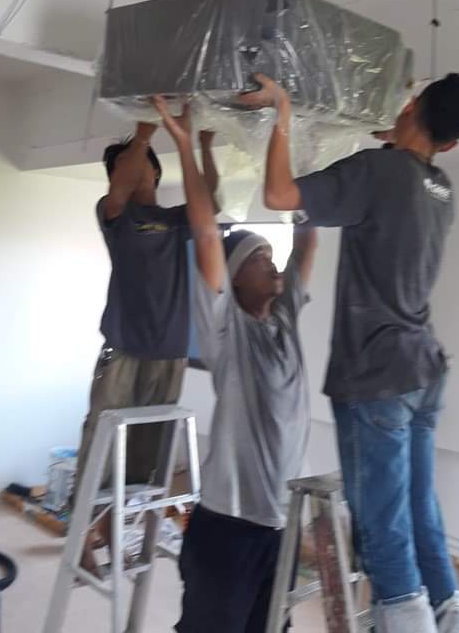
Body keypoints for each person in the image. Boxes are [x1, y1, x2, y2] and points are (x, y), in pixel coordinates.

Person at [243, 72, 459, 633]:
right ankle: (449, 620)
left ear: (413, 105)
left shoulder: (377, 172)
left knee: (382, 525)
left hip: (377, 374)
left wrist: (284, 113)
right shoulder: (441, 187)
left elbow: (279, 196)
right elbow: (401, 177)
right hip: (424, 370)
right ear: (451, 144)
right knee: (419, 509)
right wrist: (396, 135)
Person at [152, 95, 317, 633]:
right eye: (260, 258)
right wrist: (185, 144)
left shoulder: (285, 319)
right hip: (230, 524)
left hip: (282, 523)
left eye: (272, 255)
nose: (274, 264)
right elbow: (206, 233)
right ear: (235, 278)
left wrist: (304, 147)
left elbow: (309, 237)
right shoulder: (227, 331)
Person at [74, 122, 219, 572]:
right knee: (100, 445)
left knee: (144, 455)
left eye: (140, 164)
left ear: (155, 172)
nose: (133, 171)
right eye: (123, 167)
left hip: (169, 354)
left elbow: (210, 200)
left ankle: (113, 533)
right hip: (124, 350)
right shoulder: (115, 216)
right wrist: (141, 136)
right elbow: (119, 190)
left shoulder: (177, 220)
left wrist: (204, 146)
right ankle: (82, 537)